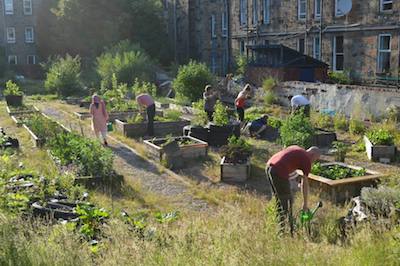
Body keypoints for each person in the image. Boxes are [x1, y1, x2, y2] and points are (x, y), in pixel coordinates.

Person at [266, 145, 321, 234]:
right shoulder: (307, 159)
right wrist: (305, 204)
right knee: (287, 201)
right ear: (313, 154)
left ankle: (278, 224)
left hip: (269, 166)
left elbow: (287, 159)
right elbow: (305, 183)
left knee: (278, 199)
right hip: (279, 170)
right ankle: (285, 230)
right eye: (315, 159)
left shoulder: (297, 149)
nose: (314, 161)